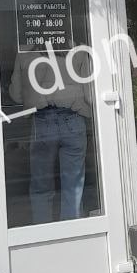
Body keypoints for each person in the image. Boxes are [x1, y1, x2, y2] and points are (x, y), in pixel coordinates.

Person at [9, 47, 90, 222]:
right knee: (73, 183)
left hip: (42, 120)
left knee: (41, 183)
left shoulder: (25, 52)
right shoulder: (78, 49)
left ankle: (42, 228)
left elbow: (16, 95)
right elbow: (89, 93)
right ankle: (72, 229)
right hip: (72, 119)